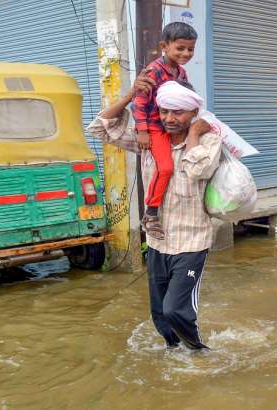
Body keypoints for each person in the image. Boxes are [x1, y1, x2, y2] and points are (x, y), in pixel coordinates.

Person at [88, 77, 221, 350]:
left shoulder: (209, 140)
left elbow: (199, 170)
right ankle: (175, 353)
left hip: (191, 242)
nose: (169, 118)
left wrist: (194, 134)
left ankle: (199, 352)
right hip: (158, 241)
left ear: (194, 113)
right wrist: (129, 96)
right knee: (160, 314)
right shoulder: (149, 141)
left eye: (178, 112)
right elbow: (99, 128)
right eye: (164, 111)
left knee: (176, 310)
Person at [133, 22, 198, 240]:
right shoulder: (153, 71)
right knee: (166, 168)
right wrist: (143, 130)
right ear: (164, 46)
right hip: (155, 126)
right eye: (180, 48)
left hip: (175, 125)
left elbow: (188, 97)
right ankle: (150, 214)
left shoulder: (181, 72)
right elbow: (139, 103)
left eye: (190, 49)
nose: (186, 53)